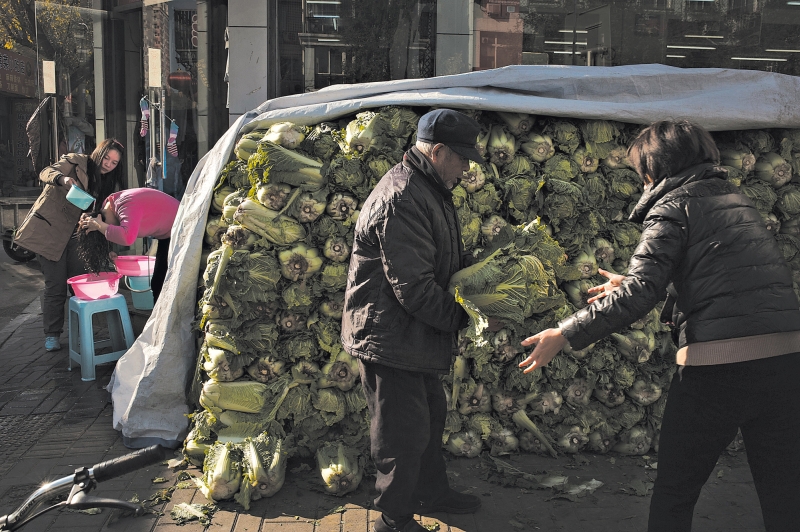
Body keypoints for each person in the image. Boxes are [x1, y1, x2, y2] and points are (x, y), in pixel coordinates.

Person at [518, 120, 800, 532]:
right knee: (783, 491)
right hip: (786, 360)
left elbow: (640, 293)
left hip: (718, 367)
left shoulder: (673, 206)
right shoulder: (736, 200)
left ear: (654, 168)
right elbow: (720, 281)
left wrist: (565, 333)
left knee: (675, 490)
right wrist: (635, 283)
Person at [341, 109, 485, 532]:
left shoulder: (428, 187)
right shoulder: (403, 197)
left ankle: (430, 492)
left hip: (412, 334)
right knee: (401, 433)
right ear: (438, 152)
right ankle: (393, 518)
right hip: (389, 336)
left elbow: (438, 259)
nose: (467, 168)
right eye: (463, 158)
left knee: (430, 418)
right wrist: (469, 317)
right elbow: (415, 289)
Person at [13, 138, 125, 352]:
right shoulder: (75, 161)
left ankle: (81, 333)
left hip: (78, 237)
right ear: (99, 152)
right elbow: (46, 172)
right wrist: (63, 179)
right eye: (106, 158)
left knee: (79, 286)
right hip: (50, 232)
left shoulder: (108, 183)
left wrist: (108, 247)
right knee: (55, 286)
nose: (108, 164)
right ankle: (52, 334)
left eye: (114, 162)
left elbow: (104, 219)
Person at [78, 188, 180, 303]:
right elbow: (112, 229)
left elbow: (127, 237)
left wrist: (99, 226)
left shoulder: (126, 205)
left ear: (101, 219)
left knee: (163, 285)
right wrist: (109, 250)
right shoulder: (110, 206)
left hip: (181, 230)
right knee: (158, 283)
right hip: (168, 235)